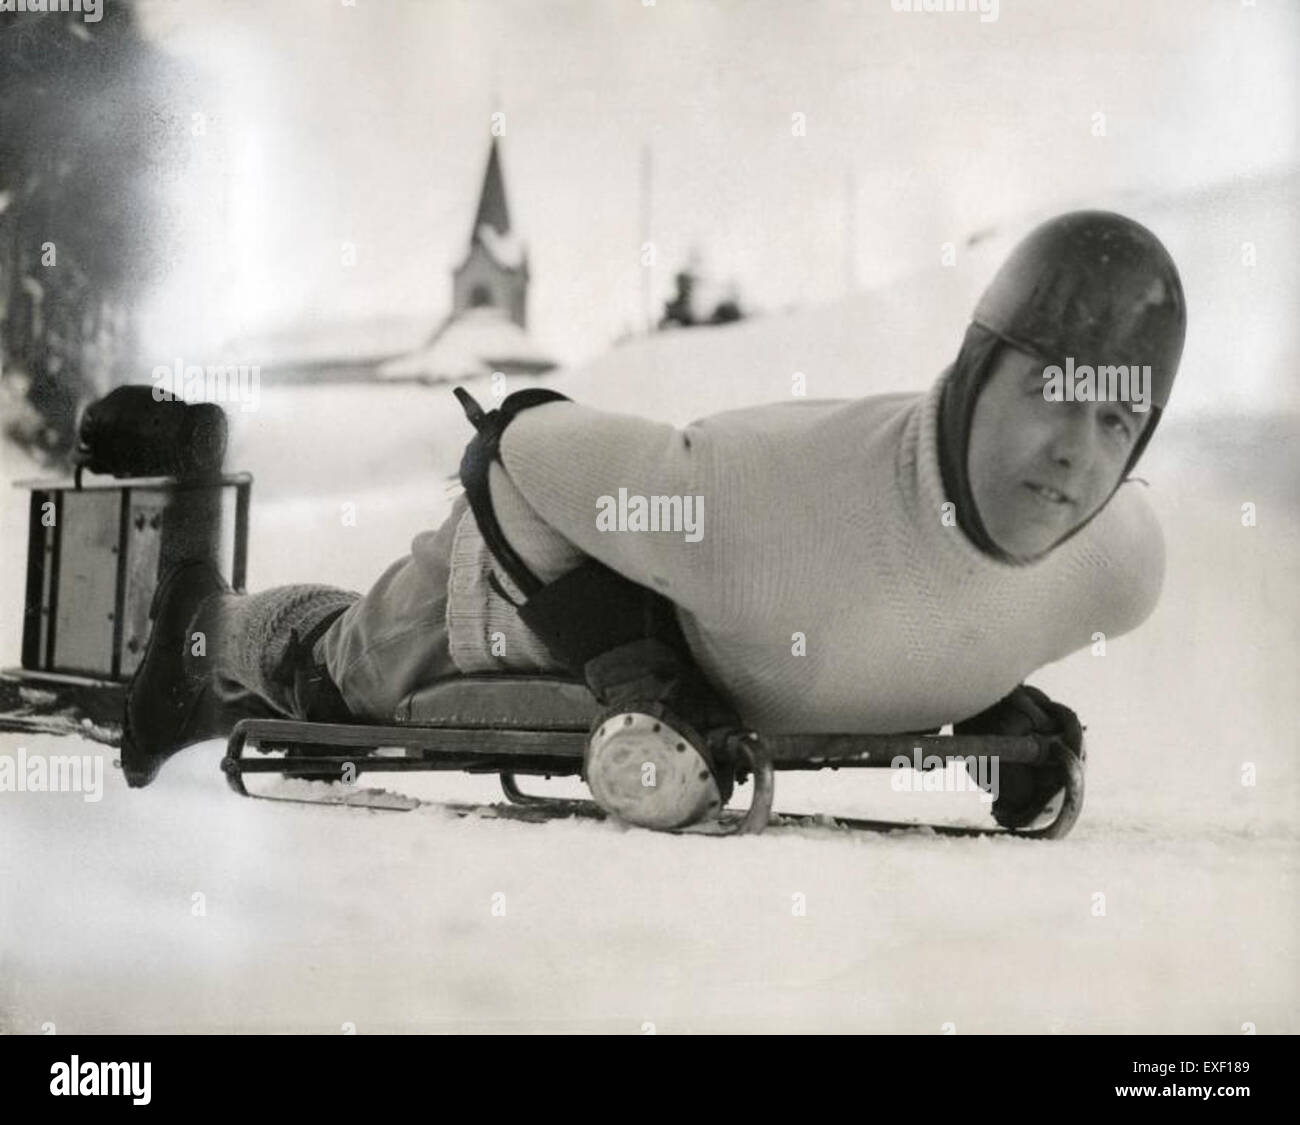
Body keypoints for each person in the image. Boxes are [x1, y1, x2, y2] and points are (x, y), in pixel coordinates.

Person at [122, 210, 1186, 830]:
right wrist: (628, 660)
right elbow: (515, 452)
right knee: (340, 675)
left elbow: (923, 590)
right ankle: (204, 622)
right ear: (972, 371)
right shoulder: (762, 506)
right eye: (1046, 391)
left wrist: (978, 679)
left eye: (1114, 418)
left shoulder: (1116, 567)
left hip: (709, 622)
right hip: (524, 574)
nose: (1073, 454)